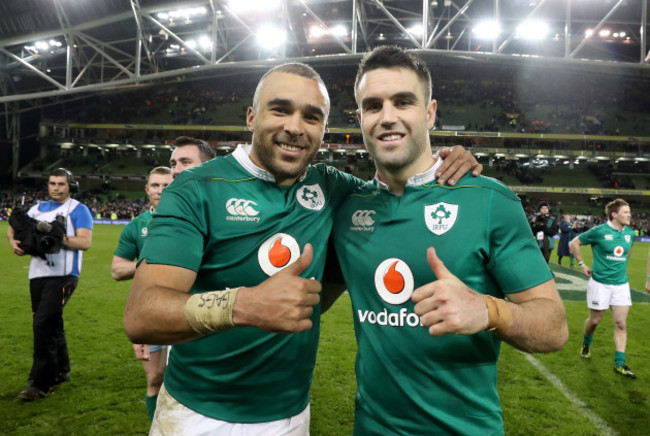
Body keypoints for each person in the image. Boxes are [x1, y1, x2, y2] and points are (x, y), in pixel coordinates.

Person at [123, 62, 482, 435]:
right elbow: (142, 315)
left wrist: (450, 160)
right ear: (251, 116)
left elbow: (399, 182)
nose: (294, 127)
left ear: (324, 130)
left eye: (312, 116)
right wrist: (245, 304)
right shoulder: (196, 188)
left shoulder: (334, 189)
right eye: (280, 109)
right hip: (195, 414)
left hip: (291, 418)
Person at [327, 46, 568, 435]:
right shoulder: (345, 210)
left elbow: (554, 327)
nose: (388, 117)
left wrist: (489, 311)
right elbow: (309, 302)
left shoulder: (490, 200)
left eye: (403, 101)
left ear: (430, 112)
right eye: (373, 106)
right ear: (360, 118)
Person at [7, 168, 93, 401]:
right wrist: (13, 242)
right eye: (53, 183)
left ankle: (39, 384)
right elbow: (14, 227)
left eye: (61, 184)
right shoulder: (36, 208)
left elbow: (85, 242)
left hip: (65, 276)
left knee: (43, 323)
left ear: (70, 186)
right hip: (38, 274)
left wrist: (59, 239)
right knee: (49, 321)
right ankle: (61, 370)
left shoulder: (78, 209)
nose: (56, 188)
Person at [111, 166, 173, 421]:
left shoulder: (197, 220)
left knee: (191, 382)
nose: (161, 191)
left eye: (167, 186)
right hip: (151, 309)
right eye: (156, 185)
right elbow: (117, 269)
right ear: (147, 189)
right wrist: (150, 265)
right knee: (155, 378)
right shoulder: (137, 226)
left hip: (190, 309)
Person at [570, 198, 637, 378]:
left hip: (621, 284)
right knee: (595, 320)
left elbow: (628, 252)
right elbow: (574, 243)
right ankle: (586, 344)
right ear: (614, 214)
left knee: (621, 324)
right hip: (599, 283)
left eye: (629, 212)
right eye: (625, 212)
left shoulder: (630, 233)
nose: (629, 215)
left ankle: (619, 363)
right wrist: (582, 264)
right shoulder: (599, 231)